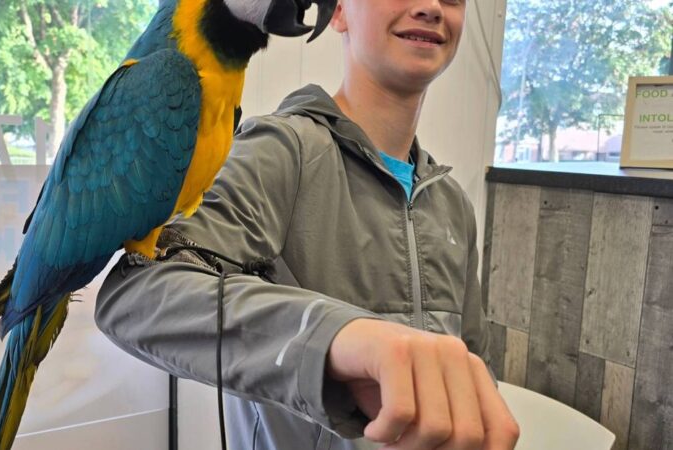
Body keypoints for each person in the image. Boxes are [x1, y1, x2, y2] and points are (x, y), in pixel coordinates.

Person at [95, 0, 520, 448]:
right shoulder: (277, 151)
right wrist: (338, 337)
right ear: (338, 13)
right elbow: (136, 294)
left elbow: (475, 363)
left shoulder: (452, 203)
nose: (432, 6)